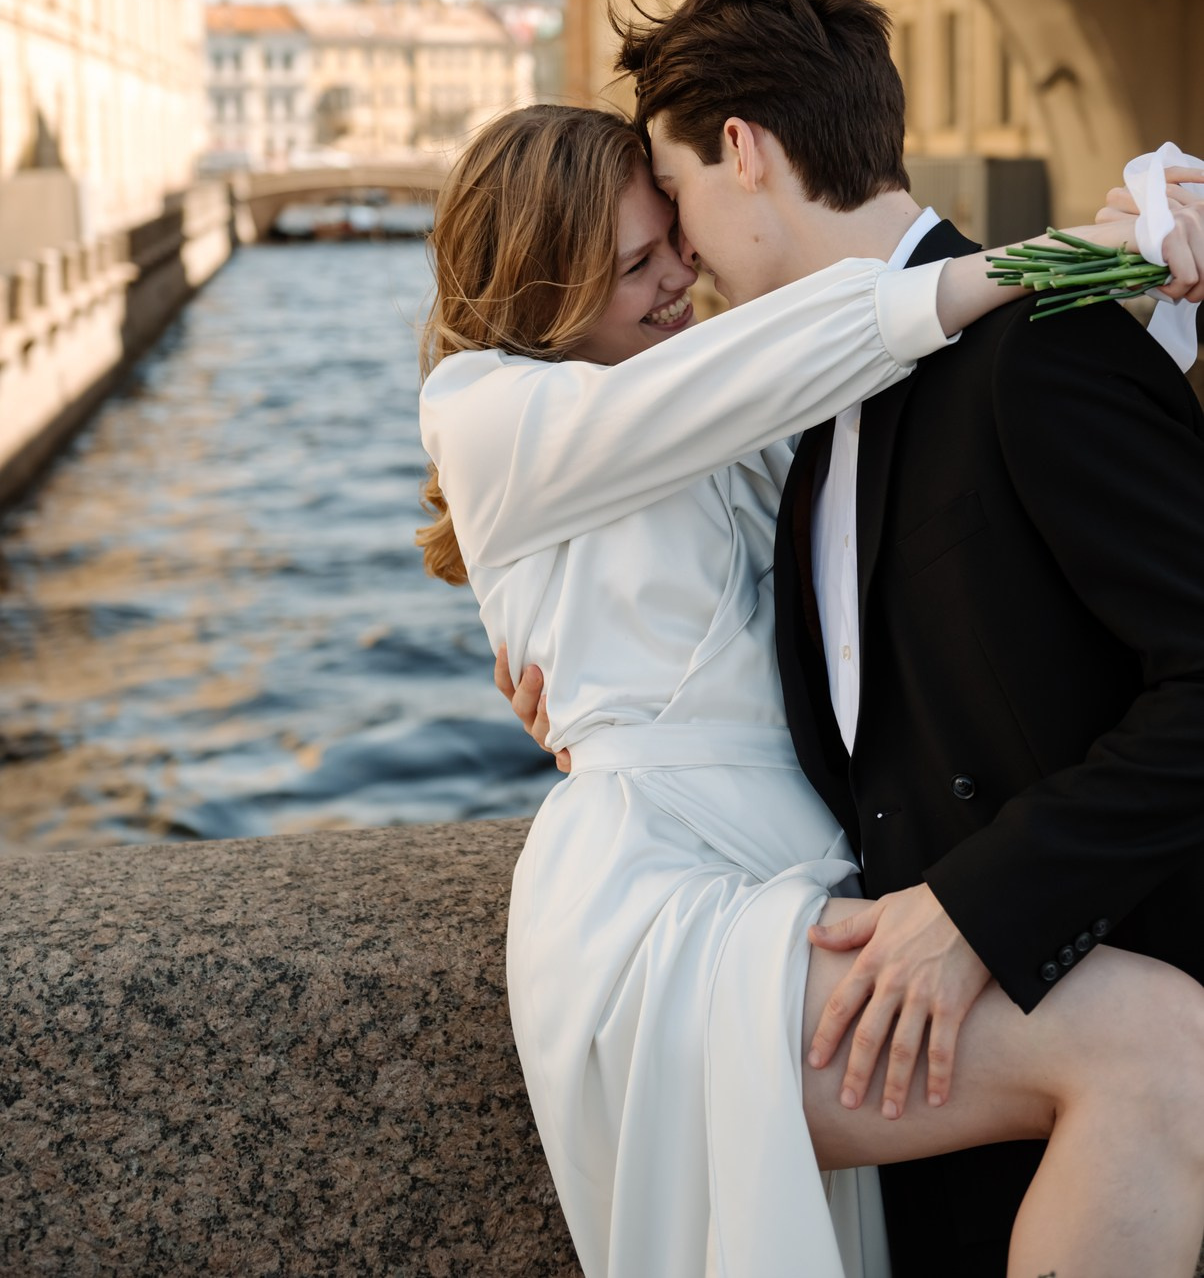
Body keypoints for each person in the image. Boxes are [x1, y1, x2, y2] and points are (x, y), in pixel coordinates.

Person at [419, 99, 1204, 1278]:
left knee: (1162, 1054)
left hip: (806, 886)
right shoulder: (483, 409)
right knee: (1158, 1048)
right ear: (544, 286)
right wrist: (1053, 257)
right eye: (635, 265)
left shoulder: (737, 412)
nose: (680, 278)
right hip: (665, 914)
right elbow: (809, 345)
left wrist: (1143, 251)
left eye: (674, 241)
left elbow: (948, 446)